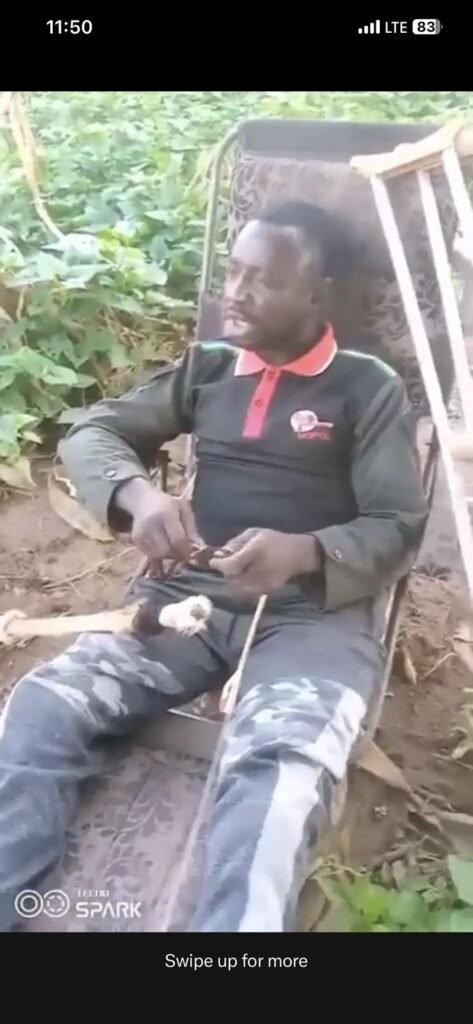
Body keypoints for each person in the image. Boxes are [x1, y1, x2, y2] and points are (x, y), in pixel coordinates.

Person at [0, 201, 429, 932]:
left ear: (318, 294)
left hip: (312, 621)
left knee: (277, 774)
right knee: (43, 706)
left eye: (262, 280)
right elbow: (94, 429)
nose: (234, 292)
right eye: (232, 272)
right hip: (186, 607)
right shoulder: (209, 367)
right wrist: (140, 497)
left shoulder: (366, 388)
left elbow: (396, 526)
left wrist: (303, 551)